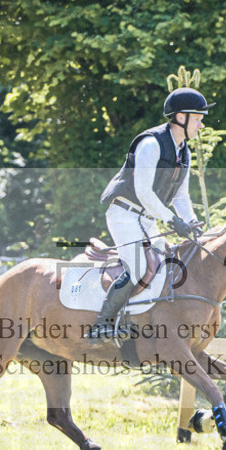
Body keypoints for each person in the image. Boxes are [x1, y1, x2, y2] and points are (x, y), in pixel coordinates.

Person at [88, 87, 212, 341]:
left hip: (146, 218)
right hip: (124, 214)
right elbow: (143, 191)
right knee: (138, 269)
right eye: (197, 118)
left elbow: (181, 196)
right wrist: (172, 220)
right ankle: (102, 323)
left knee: (168, 263)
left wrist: (190, 223)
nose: (201, 124)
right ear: (180, 117)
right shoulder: (150, 144)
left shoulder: (183, 152)